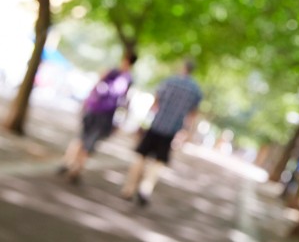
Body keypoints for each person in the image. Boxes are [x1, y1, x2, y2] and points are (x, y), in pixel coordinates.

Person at [121, 59, 203, 206]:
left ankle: (129, 188)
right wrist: (186, 133)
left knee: (141, 156)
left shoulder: (169, 81)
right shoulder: (195, 90)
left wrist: (144, 121)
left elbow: (155, 103)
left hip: (156, 125)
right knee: (158, 162)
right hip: (171, 131)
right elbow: (192, 115)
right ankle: (145, 189)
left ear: (183, 67)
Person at [58, 50, 137, 183]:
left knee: (82, 138)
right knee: (89, 142)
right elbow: (124, 100)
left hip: (95, 108)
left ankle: (69, 162)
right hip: (105, 114)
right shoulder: (128, 78)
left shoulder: (113, 72)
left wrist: (86, 102)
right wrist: (121, 121)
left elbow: (96, 86)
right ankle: (76, 168)